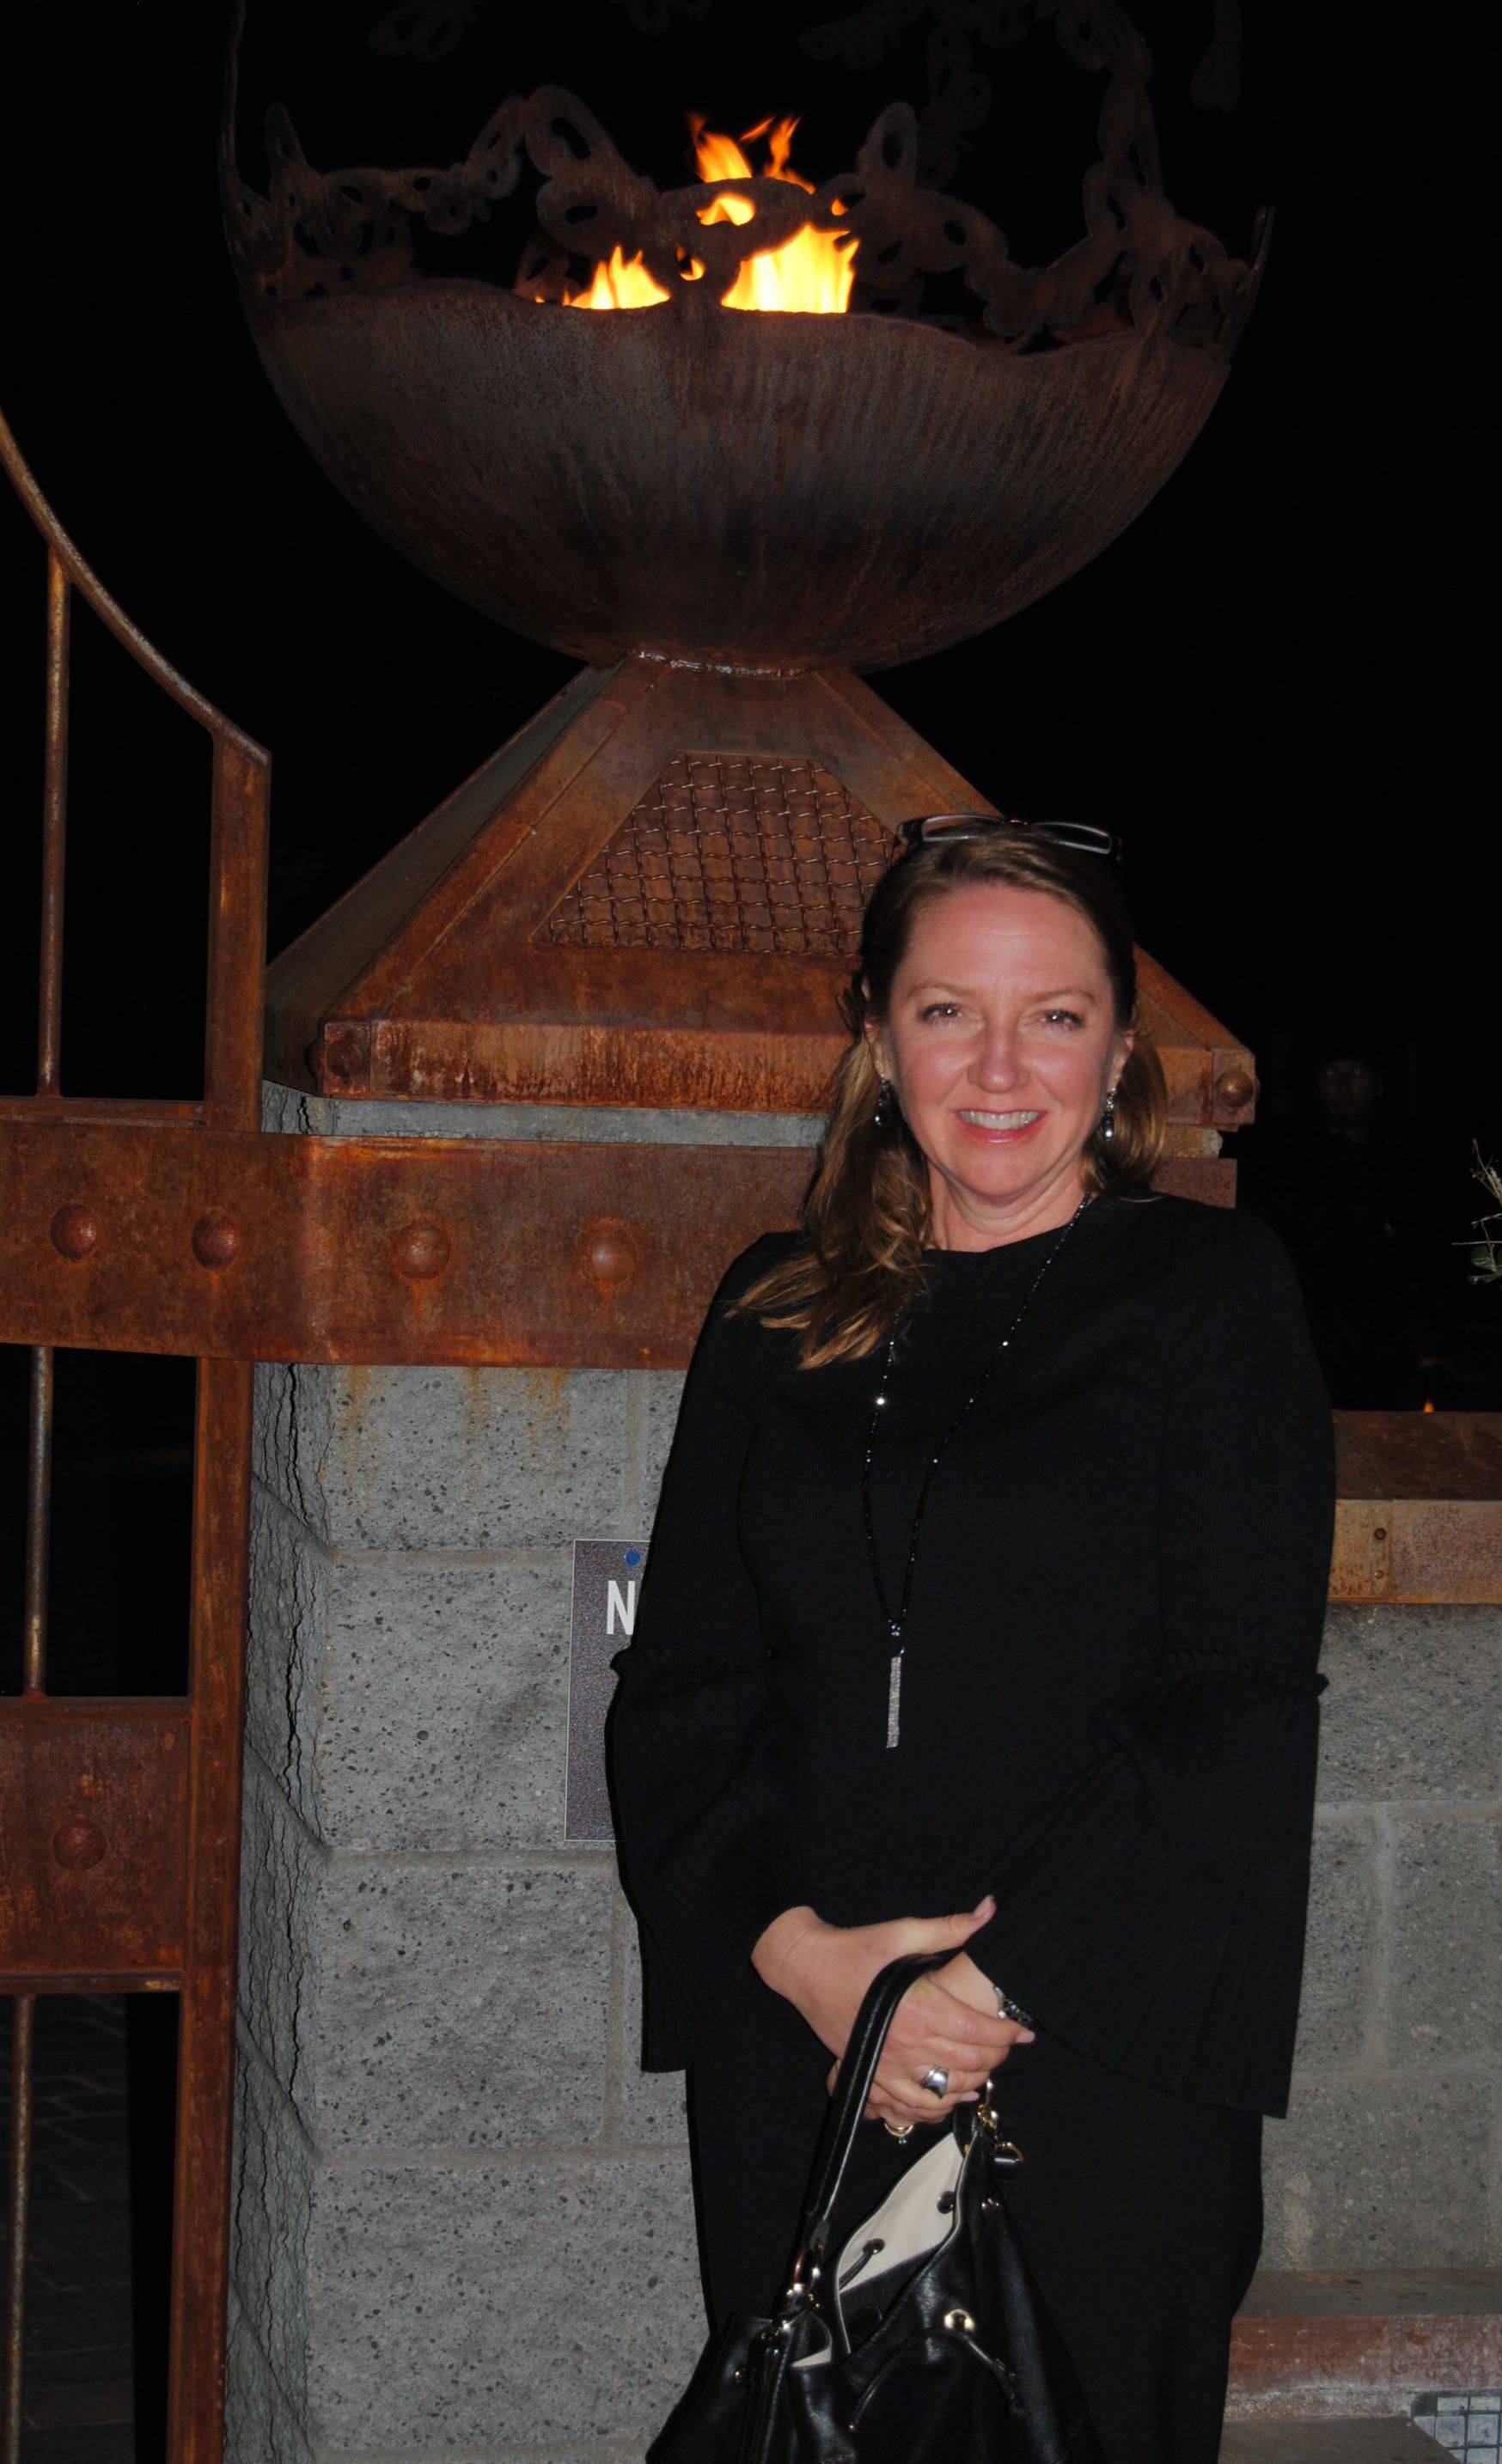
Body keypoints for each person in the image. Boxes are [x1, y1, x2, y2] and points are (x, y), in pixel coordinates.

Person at [606, 814, 1337, 2464]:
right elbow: (681, 1695)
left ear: (1121, 1048)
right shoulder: (772, 1309)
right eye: (949, 1011)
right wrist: (814, 1970)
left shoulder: (1209, 1296)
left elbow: (1229, 1706)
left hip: (1098, 2041)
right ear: (875, 1034)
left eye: (1055, 1015)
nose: (1001, 1065)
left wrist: (966, 2002)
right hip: (804, 2038)